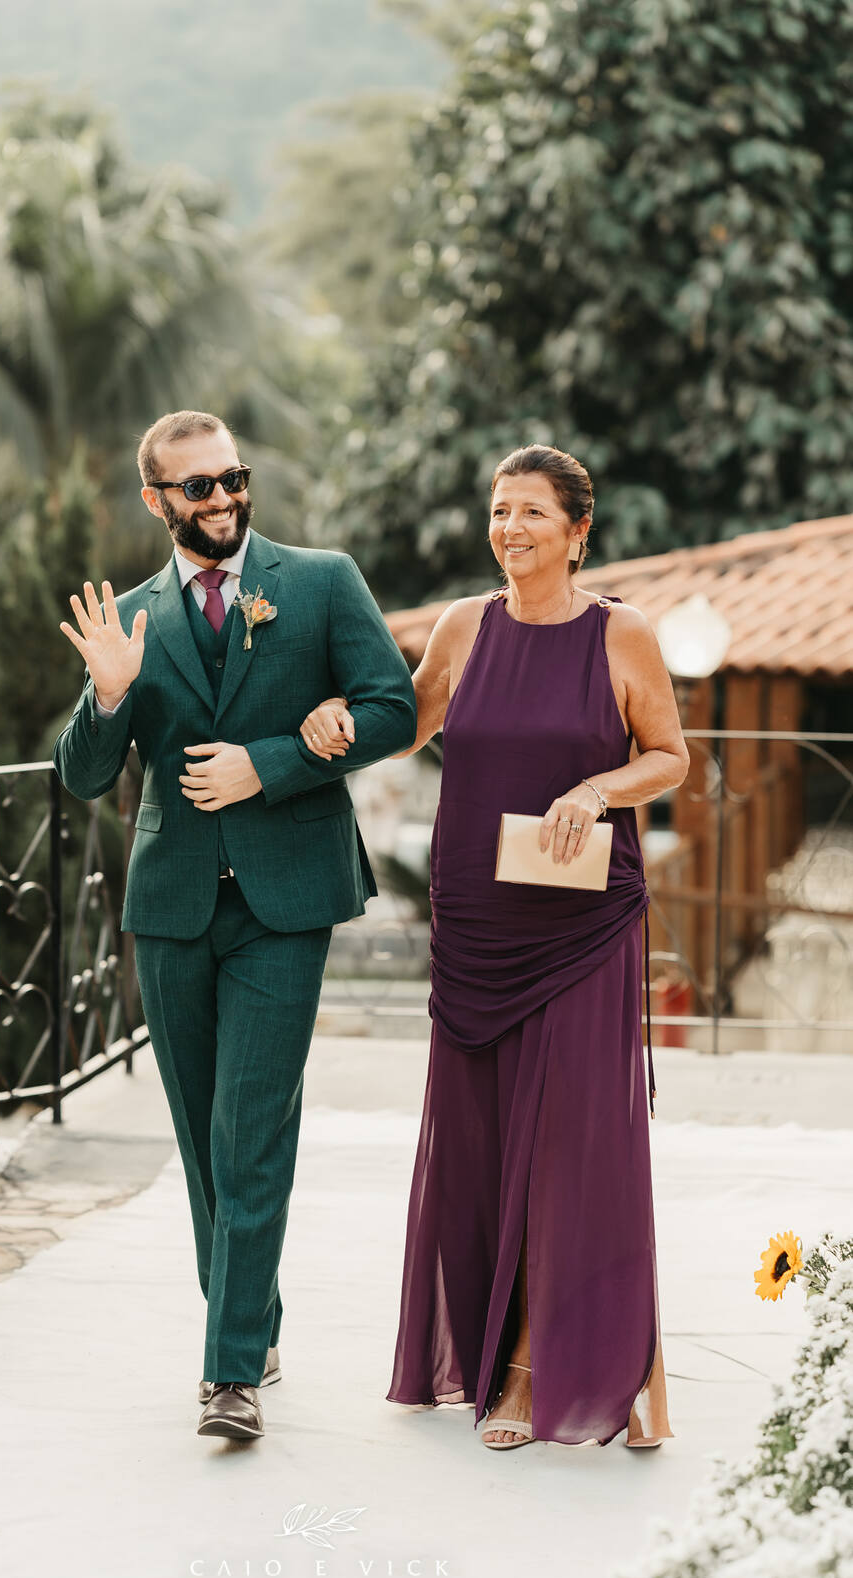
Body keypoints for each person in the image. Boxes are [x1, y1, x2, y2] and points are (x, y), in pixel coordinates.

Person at [302, 444, 689, 1450]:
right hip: (474, 920)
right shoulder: (464, 628)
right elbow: (407, 720)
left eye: (530, 512)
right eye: (498, 509)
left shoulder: (622, 634)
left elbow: (666, 756)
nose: (509, 528)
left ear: (576, 531)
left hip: (580, 922)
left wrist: (593, 788)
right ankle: (579, 1361)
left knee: (577, 1149)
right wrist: (341, 716)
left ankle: (546, 1366)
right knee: (480, 1146)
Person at [53, 410, 416, 1442]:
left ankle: (227, 1375)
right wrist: (109, 695)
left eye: (231, 479)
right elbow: (81, 776)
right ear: (155, 500)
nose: (220, 500)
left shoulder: (319, 580)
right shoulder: (127, 617)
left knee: (248, 1127)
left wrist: (277, 761)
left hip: (285, 899)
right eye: (196, 488)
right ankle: (252, 1319)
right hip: (170, 906)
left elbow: (390, 708)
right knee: (202, 1136)